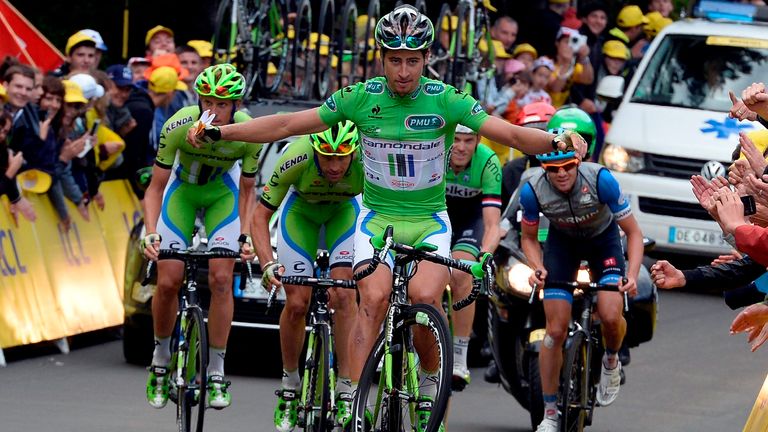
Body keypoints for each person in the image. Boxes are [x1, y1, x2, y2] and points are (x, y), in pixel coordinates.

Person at [188, 6, 587, 429]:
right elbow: (287, 123)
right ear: (381, 58)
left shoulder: (445, 99)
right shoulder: (361, 98)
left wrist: (555, 139)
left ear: (426, 58)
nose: (402, 71)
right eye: (394, 60)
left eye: (412, 61)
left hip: (429, 219)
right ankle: (349, 397)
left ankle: (431, 383)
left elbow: (506, 132)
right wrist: (223, 131)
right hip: (375, 219)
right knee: (373, 301)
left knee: (426, 298)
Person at [142, 64, 262, 411]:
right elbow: (155, 188)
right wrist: (150, 232)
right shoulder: (179, 124)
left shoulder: (247, 130)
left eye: (222, 104)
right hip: (182, 195)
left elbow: (247, 191)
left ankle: (217, 369)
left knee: (222, 279)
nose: (213, 110)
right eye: (206, 101)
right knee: (168, 281)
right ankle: (161, 358)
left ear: (235, 105)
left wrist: (244, 235)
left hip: (221, 197)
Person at [251, 122, 363, 431]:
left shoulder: (367, 160)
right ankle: (290, 384)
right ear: (314, 150)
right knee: (297, 303)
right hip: (301, 215)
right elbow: (260, 216)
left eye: (343, 158)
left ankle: (345, 388)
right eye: (326, 157)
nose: (335, 166)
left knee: (344, 294)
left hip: (344, 214)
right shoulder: (296, 157)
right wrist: (267, 263)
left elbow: (382, 212)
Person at [519, 147, 642, 430]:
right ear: (544, 169)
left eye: (567, 166)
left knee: (611, 315)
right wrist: (537, 266)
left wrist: (632, 275)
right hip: (562, 246)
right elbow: (528, 238)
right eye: (553, 169)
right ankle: (550, 413)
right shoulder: (532, 191)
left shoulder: (601, 180)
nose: (561, 173)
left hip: (604, 243)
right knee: (554, 331)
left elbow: (634, 233)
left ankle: (611, 360)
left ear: (578, 163)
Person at [445, 124, 502, 390]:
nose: (461, 147)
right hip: (438, 215)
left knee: (462, 273)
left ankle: (459, 358)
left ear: (478, 140)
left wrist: (484, 256)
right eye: (455, 140)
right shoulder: (436, 152)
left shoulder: (488, 161)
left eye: (469, 140)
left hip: (471, 220)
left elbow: (492, 224)